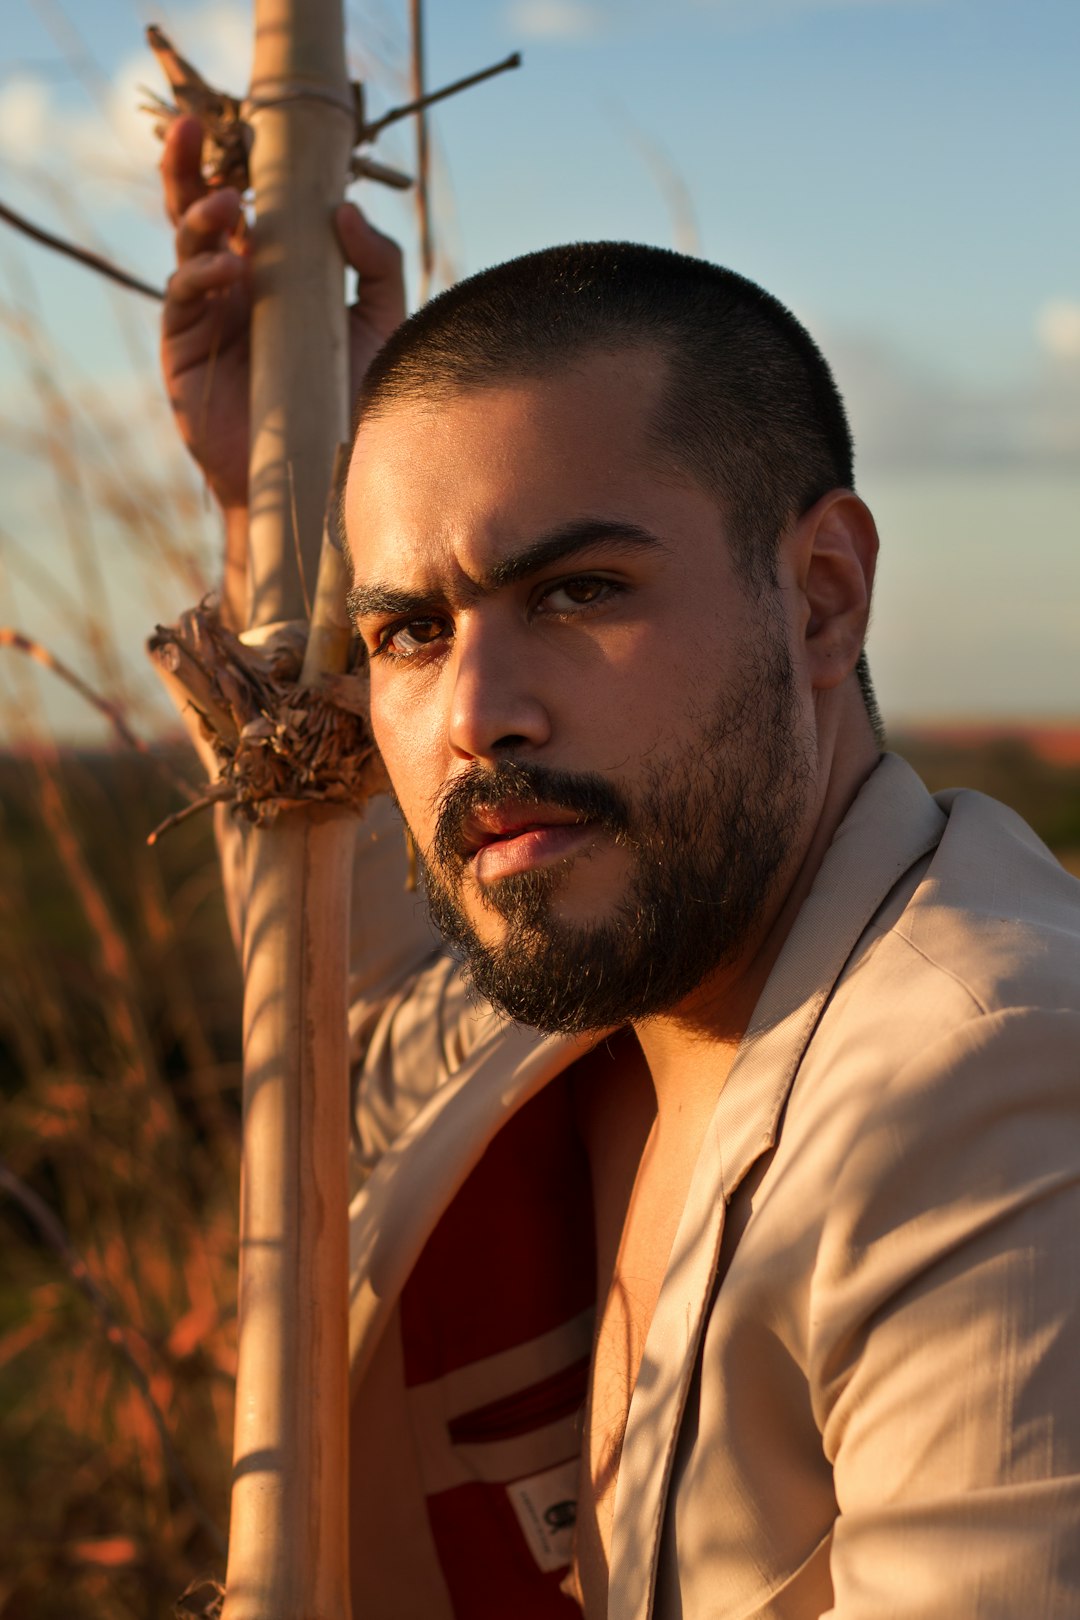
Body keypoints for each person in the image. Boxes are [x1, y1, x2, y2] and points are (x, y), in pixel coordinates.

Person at [160, 117, 1080, 1619]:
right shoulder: (614, 996)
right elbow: (366, 1052)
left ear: (823, 600)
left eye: (579, 590)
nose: (473, 717)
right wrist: (276, 505)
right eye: (407, 633)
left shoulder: (996, 1099)